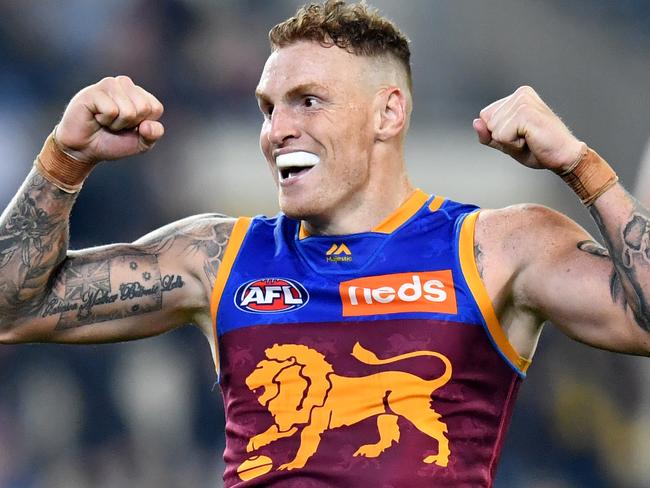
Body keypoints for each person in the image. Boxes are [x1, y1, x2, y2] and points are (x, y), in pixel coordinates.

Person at [1, 1, 648, 486]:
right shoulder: (217, 257)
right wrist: (64, 160)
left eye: (308, 101)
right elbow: (12, 309)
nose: (279, 129)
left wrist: (580, 166)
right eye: (267, 107)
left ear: (387, 114)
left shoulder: (495, 248)